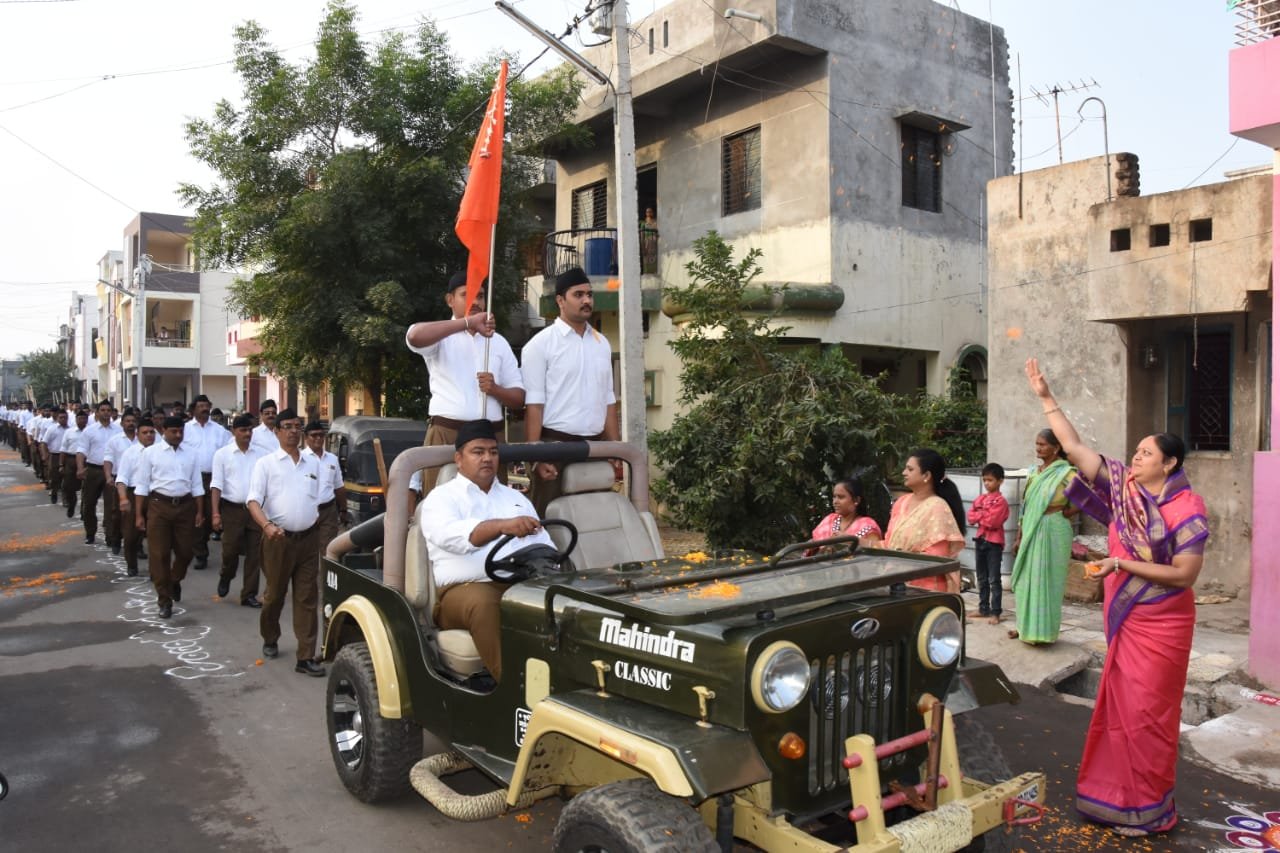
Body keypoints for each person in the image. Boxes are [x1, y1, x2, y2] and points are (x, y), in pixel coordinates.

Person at [1024, 358, 1209, 838]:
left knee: (1149, 715)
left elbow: (1185, 575)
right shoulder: (1125, 487)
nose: (1138, 456)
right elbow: (1075, 447)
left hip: (1163, 622)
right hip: (1128, 620)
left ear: (1169, 463)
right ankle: (1111, 803)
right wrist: (1046, 397)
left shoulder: (1187, 509)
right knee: (1121, 710)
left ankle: (1149, 810)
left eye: (1147, 453)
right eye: (1138, 451)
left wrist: (1122, 564)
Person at [421, 420, 553, 682]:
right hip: (462, 591)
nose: (487, 458)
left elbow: (546, 544)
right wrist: (503, 526)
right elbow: (458, 538)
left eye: (493, 452)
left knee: (561, 597)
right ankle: (516, 689)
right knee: (486, 604)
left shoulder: (515, 497)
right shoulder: (441, 498)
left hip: (519, 582)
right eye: (478, 452)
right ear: (459, 459)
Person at [405, 272, 524, 494]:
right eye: (466, 295)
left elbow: (519, 398)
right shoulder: (441, 337)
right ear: (450, 300)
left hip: (491, 435)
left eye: (480, 296)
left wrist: (496, 390)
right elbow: (413, 336)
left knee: (492, 503)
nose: (475, 302)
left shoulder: (498, 342)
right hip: (448, 434)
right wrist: (467, 323)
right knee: (441, 501)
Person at [521, 266, 619, 515]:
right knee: (547, 523)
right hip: (554, 448)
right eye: (578, 295)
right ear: (560, 301)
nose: (587, 300)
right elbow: (534, 403)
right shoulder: (540, 345)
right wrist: (536, 456)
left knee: (594, 522)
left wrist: (614, 448)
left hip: (593, 449)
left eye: (589, 294)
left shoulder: (601, 343)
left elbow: (608, 398)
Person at [246, 407, 325, 676]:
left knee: (307, 597)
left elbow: (317, 500)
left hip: (308, 540)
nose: (293, 431)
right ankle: (270, 636)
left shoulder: (313, 463)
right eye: (287, 426)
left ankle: (305, 656)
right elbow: (253, 501)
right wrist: (266, 526)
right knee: (274, 596)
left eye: (296, 426)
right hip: (278, 540)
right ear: (277, 431)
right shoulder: (266, 464)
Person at [1007, 430, 1079, 644]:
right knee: (1025, 580)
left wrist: (1066, 512)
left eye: (1043, 444)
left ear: (1056, 448)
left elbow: (1083, 499)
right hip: (1030, 527)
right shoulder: (1033, 473)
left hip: (1054, 529)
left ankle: (1044, 633)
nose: (1038, 448)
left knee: (1049, 581)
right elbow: (1025, 507)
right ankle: (1023, 628)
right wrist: (1019, 536)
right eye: (1036, 444)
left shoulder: (1067, 473)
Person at [133, 415, 204, 619]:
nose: (178, 435)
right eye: (174, 431)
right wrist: (139, 515)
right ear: (163, 430)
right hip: (159, 506)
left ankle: (174, 580)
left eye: (181, 431)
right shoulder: (150, 454)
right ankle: (164, 600)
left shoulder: (191, 454)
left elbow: (197, 485)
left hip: (185, 506)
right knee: (159, 554)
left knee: (185, 551)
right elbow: (142, 486)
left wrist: (200, 511)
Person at [884, 448, 966, 592]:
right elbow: (888, 544)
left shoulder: (938, 507)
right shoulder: (901, 502)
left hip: (924, 590)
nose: (904, 473)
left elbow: (936, 559)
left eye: (910, 469)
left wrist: (899, 560)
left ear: (926, 475)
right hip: (895, 584)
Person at [210, 414, 267, 607]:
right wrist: (215, 513)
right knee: (230, 550)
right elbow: (216, 484)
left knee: (255, 554)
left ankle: (249, 594)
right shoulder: (222, 454)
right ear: (234, 431)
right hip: (231, 509)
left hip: (255, 509)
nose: (247, 434)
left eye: (250, 430)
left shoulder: (261, 455)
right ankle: (226, 576)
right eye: (243, 430)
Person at [182, 394, 231, 570]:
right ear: (193, 409)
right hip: (193, 478)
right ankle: (200, 554)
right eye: (200, 405)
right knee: (198, 516)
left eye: (206, 405)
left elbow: (229, 452)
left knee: (214, 515)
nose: (204, 408)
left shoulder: (220, 431)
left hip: (215, 479)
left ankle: (216, 546)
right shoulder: (185, 429)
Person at [966, 463, 1010, 625]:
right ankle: (983, 608)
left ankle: (996, 612)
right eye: (984, 480)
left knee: (994, 579)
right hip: (980, 540)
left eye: (990, 480)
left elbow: (993, 522)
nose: (986, 483)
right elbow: (970, 516)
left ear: (1000, 481)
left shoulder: (1001, 502)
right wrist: (983, 514)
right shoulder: (982, 498)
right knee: (982, 578)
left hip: (994, 543)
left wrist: (980, 514)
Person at [77, 399, 123, 548]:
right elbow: (81, 451)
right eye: (102, 410)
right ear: (97, 413)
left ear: (112, 412)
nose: (106, 413)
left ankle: (111, 536)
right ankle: (90, 533)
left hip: (112, 471)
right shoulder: (89, 431)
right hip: (94, 470)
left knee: (112, 506)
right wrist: (80, 468)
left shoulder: (118, 431)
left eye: (108, 410)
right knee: (89, 503)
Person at [115, 420, 157, 577]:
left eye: (152, 432)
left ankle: (155, 570)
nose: (149, 435)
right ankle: (132, 565)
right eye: (145, 432)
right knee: (131, 535)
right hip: (134, 495)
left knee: (156, 537)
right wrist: (123, 498)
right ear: (138, 434)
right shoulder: (130, 453)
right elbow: (122, 478)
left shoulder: (161, 452)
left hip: (155, 496)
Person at [303, 421, 348, 550]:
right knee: (308, 550)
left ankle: (324, 571)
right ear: (306, 438)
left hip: (328, 510)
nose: (318, 438)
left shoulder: (332, 459)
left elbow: (339, 486)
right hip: (307, 510)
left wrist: (343, 509)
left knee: (328, 549)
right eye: (314, 435)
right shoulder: (301, 458)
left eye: (321, 435)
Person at [808, 478, 883, 554]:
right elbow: (814, 549)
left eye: (841, 497)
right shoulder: (830, 519)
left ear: (856, 500)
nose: (835, 502)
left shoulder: (868, 525)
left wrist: (850, 541)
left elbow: (875, 552)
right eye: (834, 497)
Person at [60, 408, 89, 518]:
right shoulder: (69, 432)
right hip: (71, 460)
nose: (82, 420)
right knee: (69, 487)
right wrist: (61, 464)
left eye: (84, 418)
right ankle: (71, 504)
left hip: (87, 461)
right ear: (76, 420)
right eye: (79, 418)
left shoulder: (90, 431)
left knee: (86, 488)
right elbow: (63, 449)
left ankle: (83, 510)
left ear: (87, 420)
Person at [42, 409, 69, 505]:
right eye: (61, 417)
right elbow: (44, 442)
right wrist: (45, 454)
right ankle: (54, 492)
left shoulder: (70, 429)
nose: (63, 419)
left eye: (65, 418)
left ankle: (65, 499)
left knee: (66, 479)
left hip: (67, 457)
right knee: (54, 477)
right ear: (57, 418)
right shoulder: (52, 429)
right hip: (54, 456)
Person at [640, 207, 659, 274]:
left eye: (650, 211)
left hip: (654, 246)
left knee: (655, 263)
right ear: (645, 213)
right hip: (647, 245)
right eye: (647, 212)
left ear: (653, 213)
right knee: (646, 263)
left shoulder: (656, 223)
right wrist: (643, 249)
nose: (649, 213)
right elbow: (642, 237)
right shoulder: (643, 224)